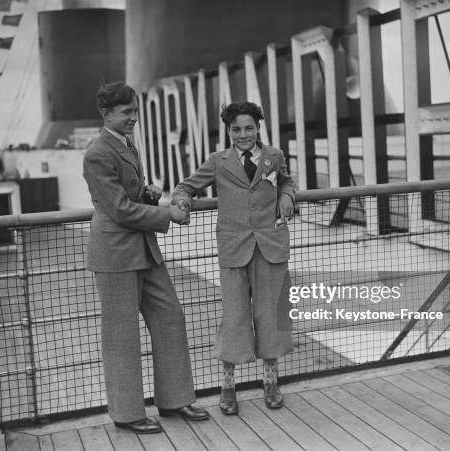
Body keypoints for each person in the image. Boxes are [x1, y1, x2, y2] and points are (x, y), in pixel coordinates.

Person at [82, 81, 209, 434]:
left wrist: (148, 192)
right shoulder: (97, 152)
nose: (134, 118)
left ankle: (174, 399)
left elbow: (129, 195)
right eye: (127, 113)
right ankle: (127, 413)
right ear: (107, 114)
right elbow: (119, 209)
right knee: (121, 334)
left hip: (142, 248)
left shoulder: (124, 144)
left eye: (135, 111)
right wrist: (168, 213)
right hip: (116, 253)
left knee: (170, 316)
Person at [172, 101, 296, 414]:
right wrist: (183, 202)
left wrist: (286, 197)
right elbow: (186, 186)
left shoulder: (274, 156)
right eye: (236, 129)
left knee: (271, 316)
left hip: (270, 245)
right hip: (233, 249)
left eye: (249, 128)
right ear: (228, 131)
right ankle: (228, 388)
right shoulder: (218, 161)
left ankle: (271, 382)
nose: (243, 134)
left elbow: (286, 180)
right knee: (235, 317)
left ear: (258, 128)